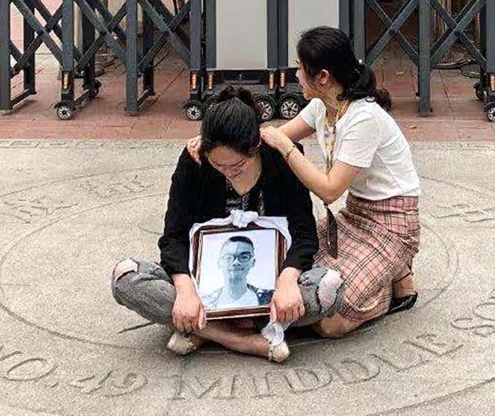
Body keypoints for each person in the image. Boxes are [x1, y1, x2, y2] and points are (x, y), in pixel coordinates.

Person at [192, 27, 420, 338]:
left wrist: (288, 150)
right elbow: (270, 138)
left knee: (330, 321)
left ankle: (390, 285)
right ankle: (391, 271)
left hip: (391, 224)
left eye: (300, 68)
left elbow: (329, 189)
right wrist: (215, 139)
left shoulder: (364, 118)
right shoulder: (322, 107)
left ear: (323, 77)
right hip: (354, 215)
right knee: (287, 266)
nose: (296, 75)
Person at [111, 88, 344, 363]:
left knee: (329, 288)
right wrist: (185, 291)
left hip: (270, 291)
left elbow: (303, 234)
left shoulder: (280, 160)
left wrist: (287, 280)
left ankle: (204, 330)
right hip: (202, 288)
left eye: (239, 164)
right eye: (219, 165)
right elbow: (174, 237)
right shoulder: (193, 162)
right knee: (126, 278)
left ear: (255, 147)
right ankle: (240, 338)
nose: (230, 171)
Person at [200, 236, 273, 310]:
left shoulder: (270, 297)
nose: (236, 262)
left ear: (253, 262)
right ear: (219, 263)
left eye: (244, 257)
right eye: (228, 257)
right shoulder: (203, 304)